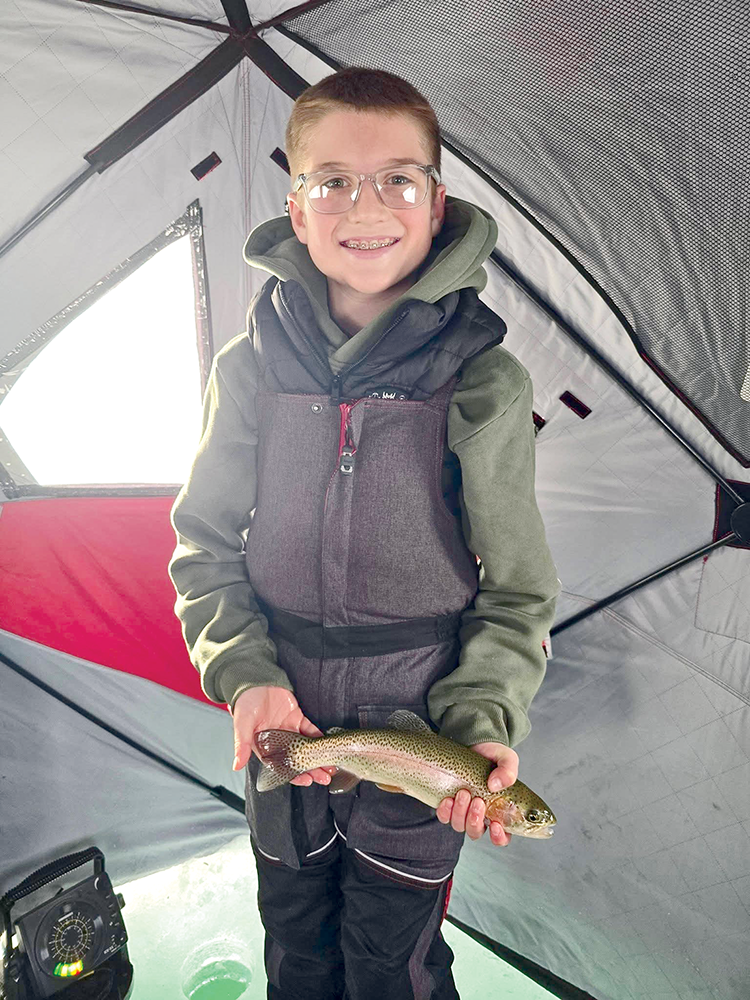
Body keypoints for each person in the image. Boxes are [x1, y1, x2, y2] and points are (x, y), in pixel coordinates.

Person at [168, 66, 561, 1000]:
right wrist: (247, 676)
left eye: (398, 179)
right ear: (297, 210)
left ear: (436, 203)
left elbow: (516, 593)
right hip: (286, 736)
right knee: (297, 955)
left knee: (394, 967)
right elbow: (204, 548)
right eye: (333, 181)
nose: (367, 205)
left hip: (421, 740)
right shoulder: (248, 368)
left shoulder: (485, 383)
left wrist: (478, 728)